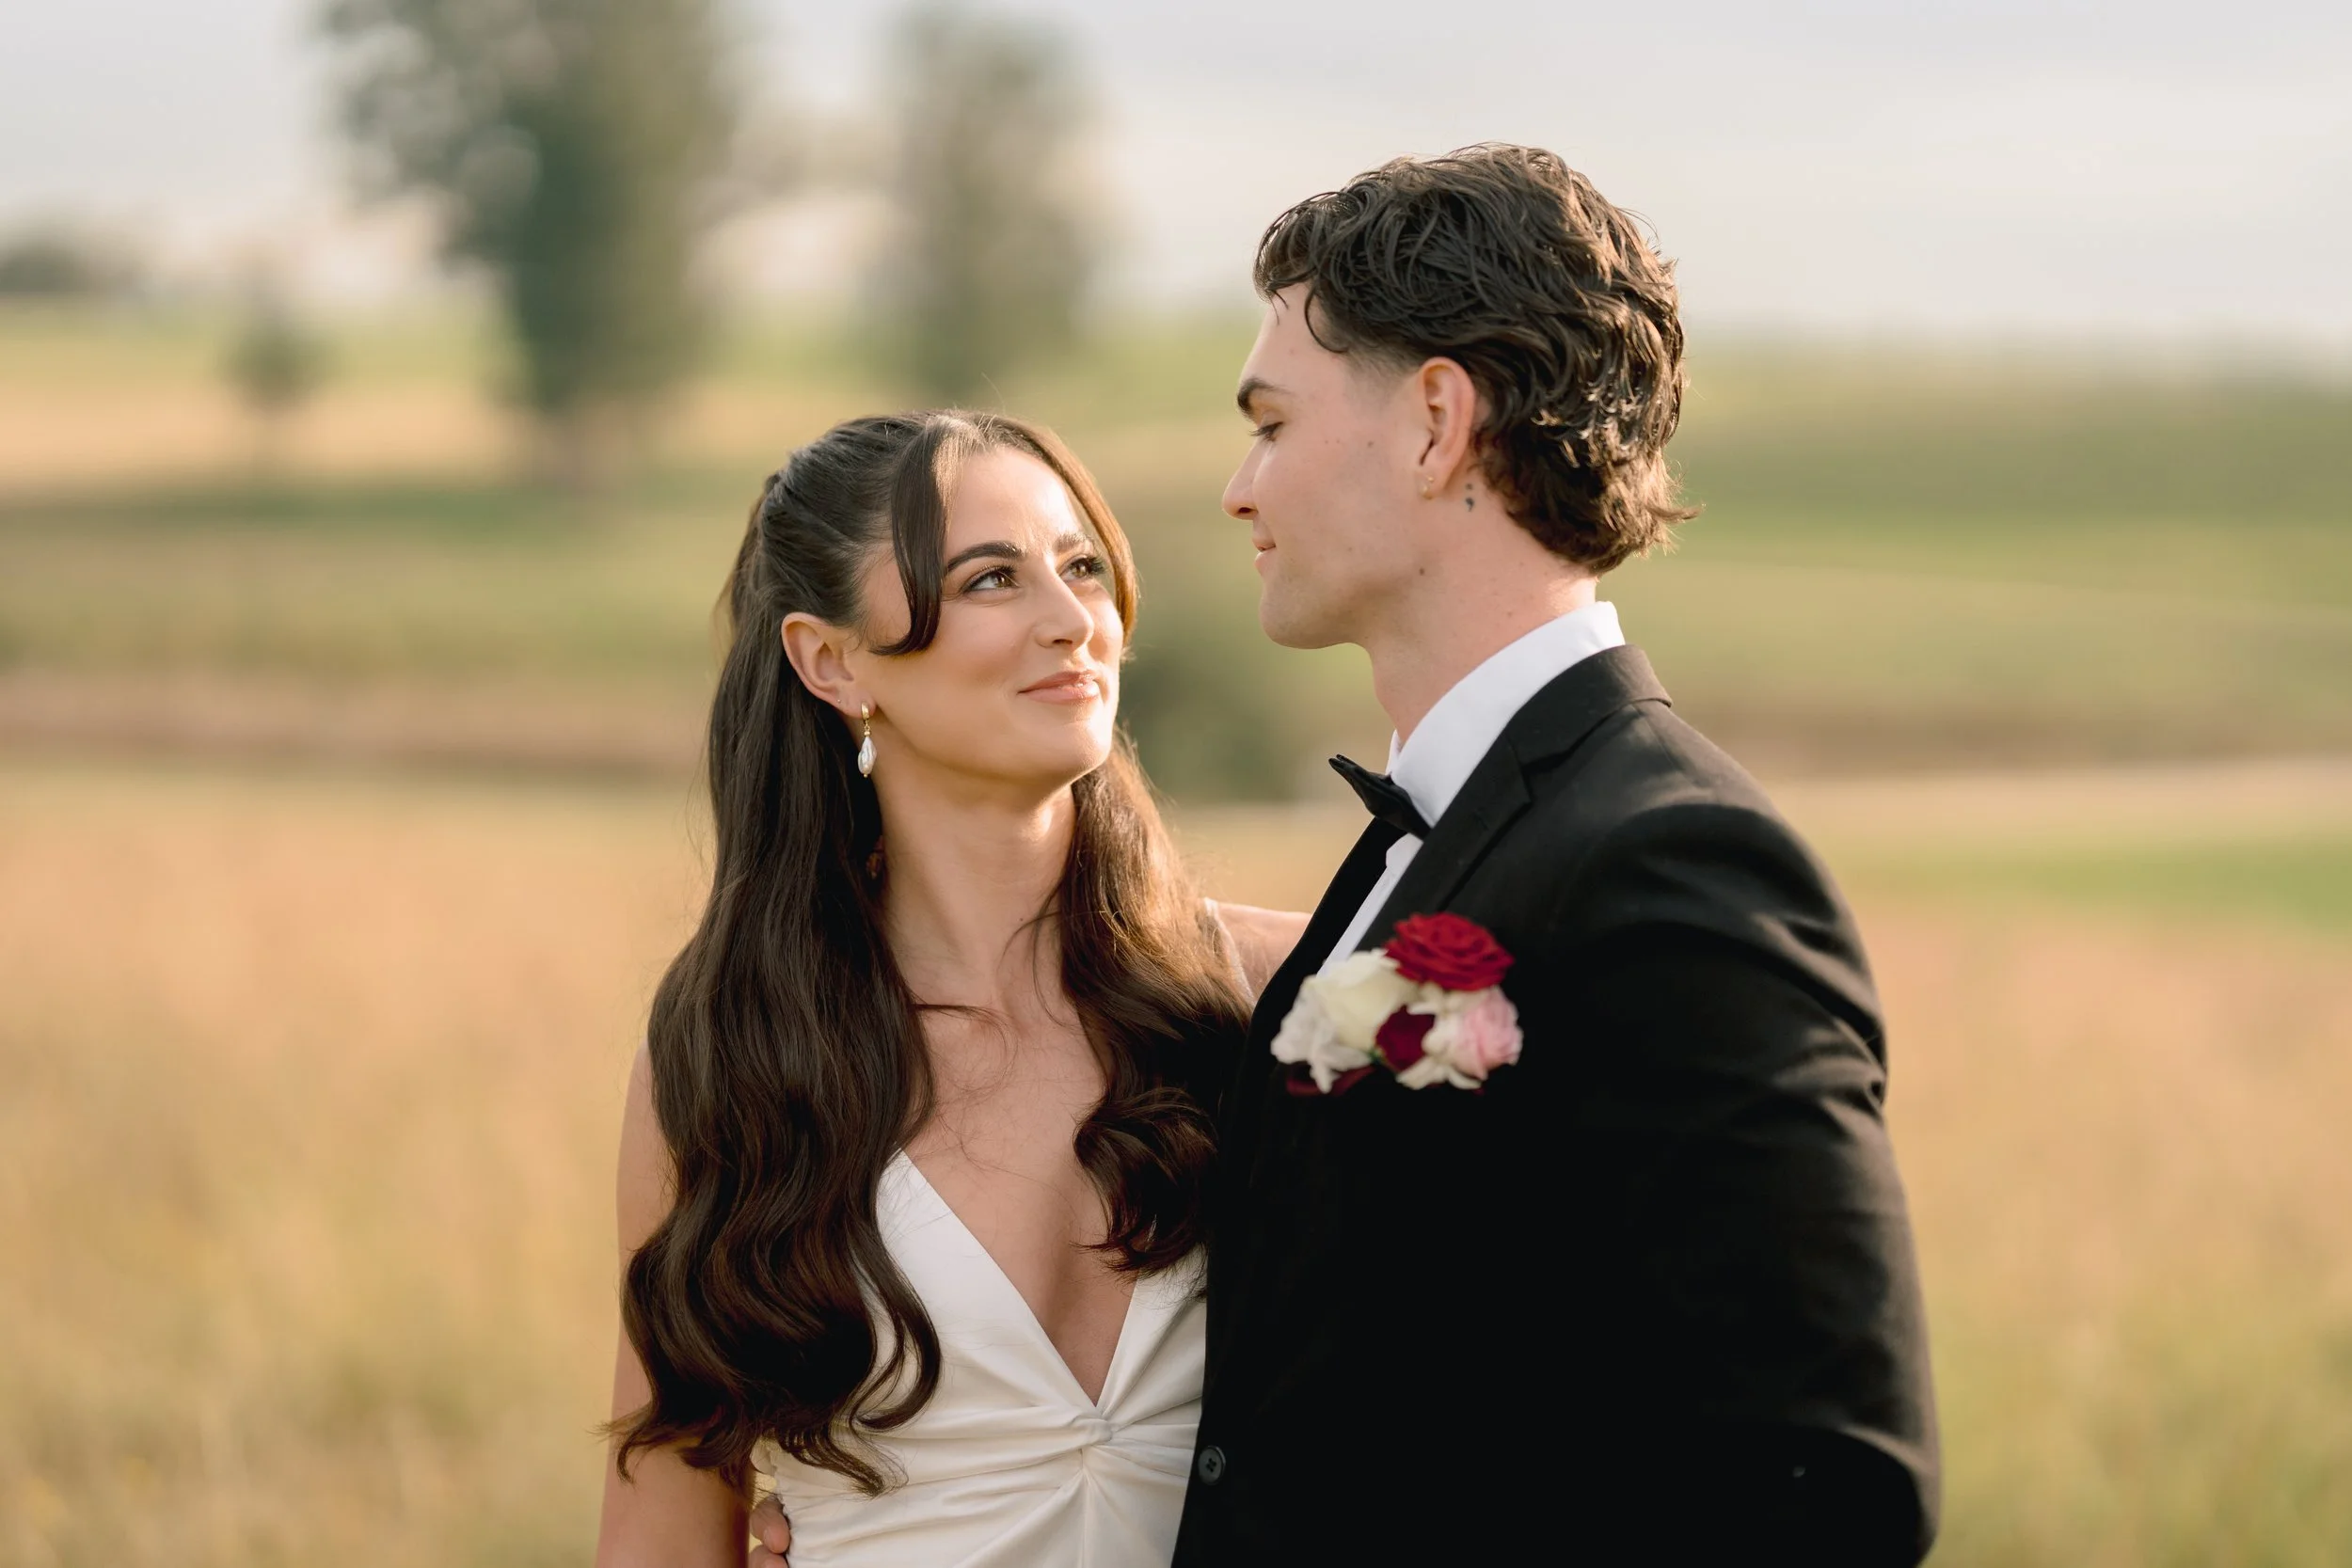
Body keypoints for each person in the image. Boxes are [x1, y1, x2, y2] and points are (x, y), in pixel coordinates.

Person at [1170, 145, 1939, 1566]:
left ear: (1436, 422)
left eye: (1271, 423)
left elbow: (1823, 1479)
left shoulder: (1670, 862)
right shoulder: (1447, 839)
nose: (1237, 485)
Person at [593, 410, 1306, 1568]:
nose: (1072, 620)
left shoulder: (1272, 994)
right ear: (831, 662)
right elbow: (664, 1518)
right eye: (990, 579)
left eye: (1082, 567)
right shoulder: (731, 1065)